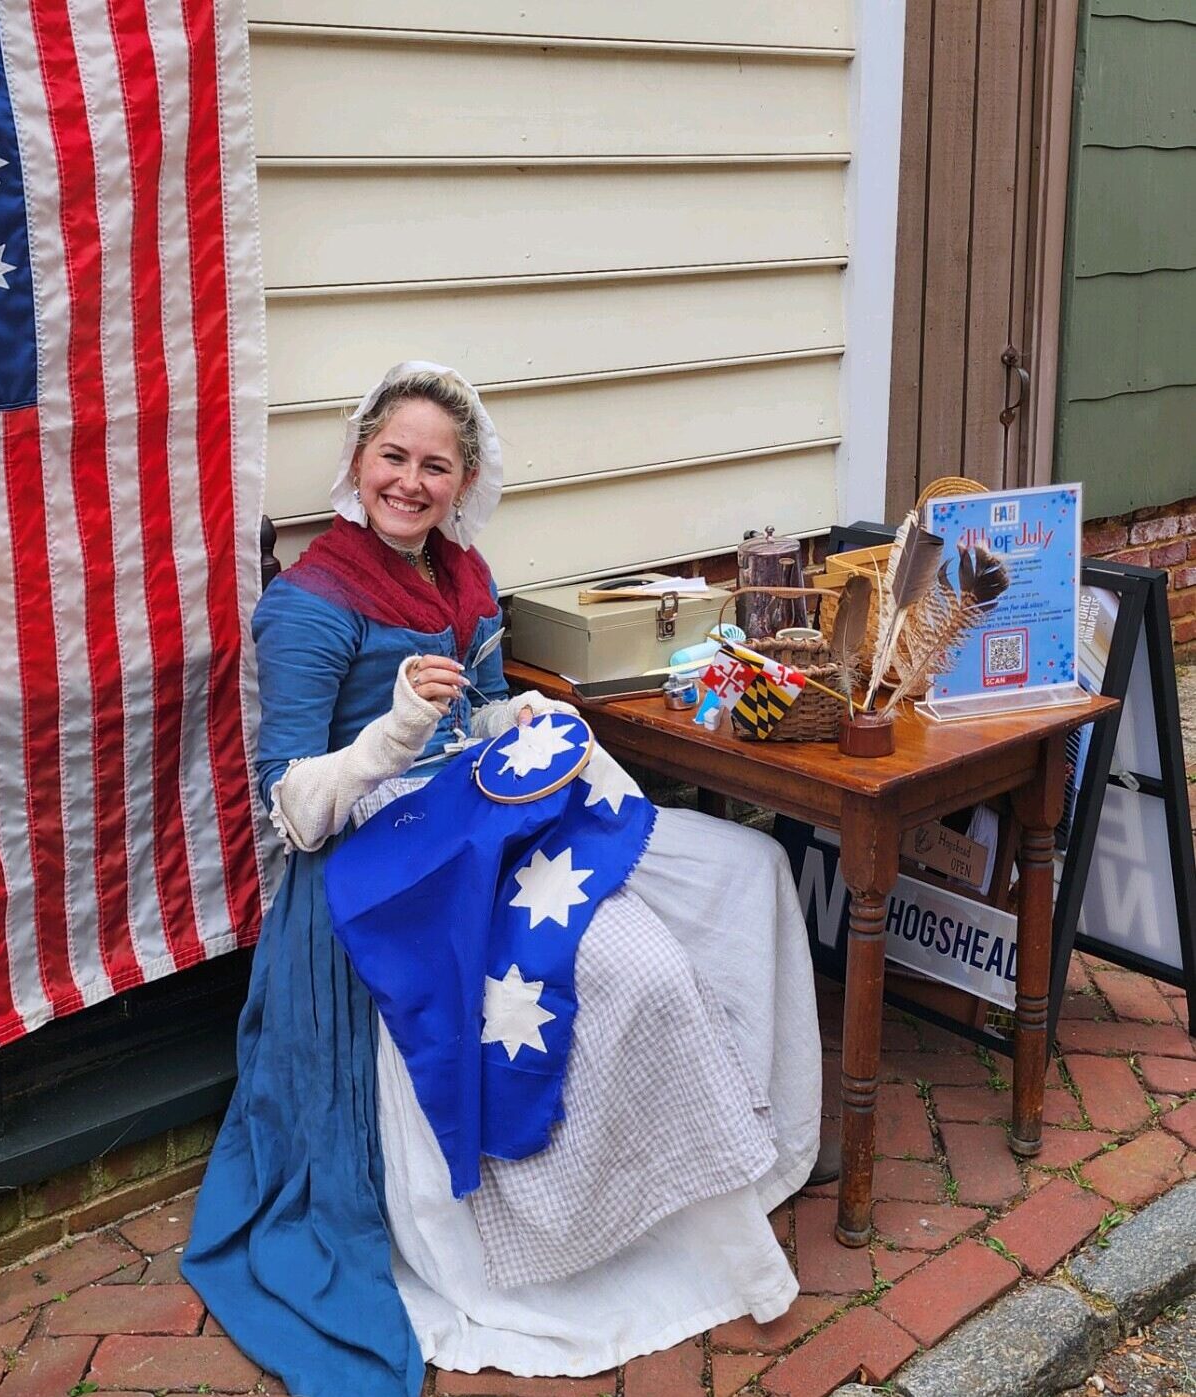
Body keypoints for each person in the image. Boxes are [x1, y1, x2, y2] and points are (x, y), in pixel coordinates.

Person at [182, 362, 824, 1397]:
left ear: (461, 479)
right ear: (357, 459)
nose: (410, 480)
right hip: (384, 859)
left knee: (745, 868)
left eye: (434, 464)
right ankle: (590, 1226)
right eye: (392, 456)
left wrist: (519, 719)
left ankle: (751, 1135)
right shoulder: (311, 603)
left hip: (481, 817)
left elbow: (479, 714)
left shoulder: (459, 573)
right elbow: (296, 812)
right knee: (635, 965)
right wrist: (390, 733)